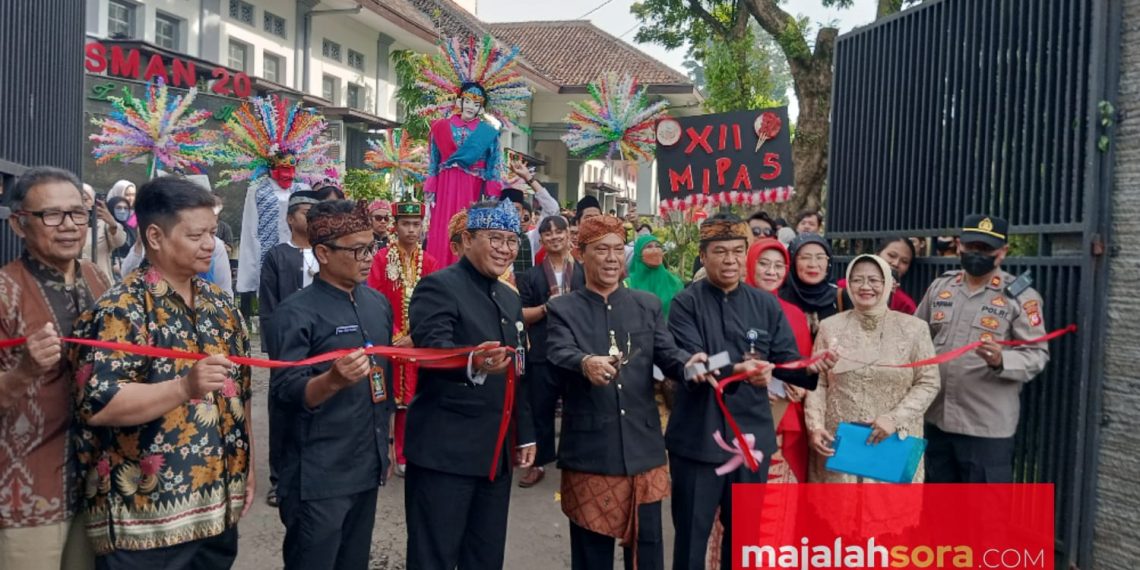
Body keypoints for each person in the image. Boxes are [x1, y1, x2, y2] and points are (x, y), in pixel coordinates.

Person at [72, 177, 253, 568]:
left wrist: (247, 470)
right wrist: (183, 386)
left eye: (211, 233)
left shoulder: (221, 304)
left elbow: (240, 394)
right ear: (154, 236)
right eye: (196, 235)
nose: (211, 244)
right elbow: (100, 404)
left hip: (217, 510)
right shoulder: (120, 309)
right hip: (144, 522)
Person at [666, 215, 831, 570]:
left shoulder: (766, 304)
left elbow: (786, 360)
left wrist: (812, 366)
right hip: (698, 440)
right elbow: (691, 366)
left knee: (746, 542)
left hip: (751, 442)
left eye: (738, 252)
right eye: (720, 252)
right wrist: (737, 369)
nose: (730, 260)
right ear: (703, 255)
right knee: (691, 541)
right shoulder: (685, 303)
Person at [546, 215, 709, 570]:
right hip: (591, 450)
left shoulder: (646, 304)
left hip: (644, 448)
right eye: (601, 250)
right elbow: (558, 351)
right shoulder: (562, 308)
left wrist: (690, 364)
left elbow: (668, 353)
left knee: (648, 549)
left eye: (618, 250)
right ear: (580, 253)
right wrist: (585, 361)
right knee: (592, 553)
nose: (611, 258)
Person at [404, 200, 536, 569]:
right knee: (435, 556)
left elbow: (518, 371)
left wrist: (524, 433)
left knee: (485, 556)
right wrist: (474, 362)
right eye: (495, 238)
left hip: (495, 455)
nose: (505, 249)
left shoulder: (509, 298)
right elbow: (432, 350)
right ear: (467, 239)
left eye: (512, 240)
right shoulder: (439, 287)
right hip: (445, 454)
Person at [270, 200, 395, 569]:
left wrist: (384, 442)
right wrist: (332, 381)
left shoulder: (376, 304)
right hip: (317, 474)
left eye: (370, 246)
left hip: (366, 464)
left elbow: (381, 381)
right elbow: (287, 391)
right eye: (356, 249)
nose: (367, 257)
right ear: (322, 253)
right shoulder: (295, 313)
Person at [0, 168, 108, 570]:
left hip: (93, 481)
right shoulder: (5, 290)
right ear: (18, 223)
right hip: (25, 488)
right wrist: (23, 371)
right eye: (51, 215)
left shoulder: (96, 278)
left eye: (78, 214)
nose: (68, 226)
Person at [916, 215, 1050, 483]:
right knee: (936, 512)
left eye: (986, 249)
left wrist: (1002, 360)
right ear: (958, 245)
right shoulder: (941, 287)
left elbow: (1037, 355)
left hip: (984, 428)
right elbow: (915, 339)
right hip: (936, 419)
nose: (977, 254)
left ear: (1002, 253)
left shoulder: (1022, 298)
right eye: (971, 247)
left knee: (983, 519)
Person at [805, 254, 940, 482]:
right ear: (848, 283)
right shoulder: (830, 327)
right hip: (839, 443)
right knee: (839, 514)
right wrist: (815, 426)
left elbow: (928, 382)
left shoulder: (914, 329)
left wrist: (894, 418)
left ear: (888, 283)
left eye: (874, 280)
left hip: (894, 439)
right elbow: (818, 381)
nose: (865, 287)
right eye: (857, 280)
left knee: (887, 513)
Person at [366, 201, 440, 477]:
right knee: (383, 399)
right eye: (405, 224)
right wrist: (394, 333)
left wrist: (414, 336)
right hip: (387, 341)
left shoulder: (430, 261)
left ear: (423, 227)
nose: (411, 230)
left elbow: (434, 305)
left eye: (416, 224)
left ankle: (404, 453)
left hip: (417, 344)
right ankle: (381, 453)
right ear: (394, 227)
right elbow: (374, 299)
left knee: (411, 401)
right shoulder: (381, 259)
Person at [257, 190, 320, 507]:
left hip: (321, 349)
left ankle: (314, 476)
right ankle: (279, 479)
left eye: (314, 212)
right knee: (282, 413)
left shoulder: (326, 253)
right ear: (290, 217)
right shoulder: (278, 256)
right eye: (304, 211)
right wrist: (275, 350)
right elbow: (267, 306)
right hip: (287, 351)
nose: (309, 217)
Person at [517, 215, 585, 488]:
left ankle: (575, 460)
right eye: (548, 233)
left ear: (570, 235)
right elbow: (520, 314)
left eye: (560, 232)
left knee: (577, 409)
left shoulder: (584, 271)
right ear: (541, 239)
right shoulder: (531, 276)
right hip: (542, 352)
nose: (555, 237)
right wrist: (548, 307)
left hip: (577, 351)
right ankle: (539, 463)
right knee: (540, 410)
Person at [744, 238, 813, 483]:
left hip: (781, 415)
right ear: (750, 264)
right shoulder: (732, 306)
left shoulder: (794, 313)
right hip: (740, 416)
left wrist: (799, 386)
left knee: (776, 500)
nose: (771, 272)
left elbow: (802, 363)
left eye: (779, 265)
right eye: (764, 264)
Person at [424, 83, 507, 267]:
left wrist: (493, 197)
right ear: (459, 101)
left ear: (481, 107)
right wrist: (430, 192)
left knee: (468, 227)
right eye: (467, 101)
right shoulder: (440, 127)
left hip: (472, 187)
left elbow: (494, 166)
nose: (470, 106)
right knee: (443, 228)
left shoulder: (488, 133)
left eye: (476, 103)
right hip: (445, 186)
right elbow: (433, 162)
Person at [836, 237, 918, 314]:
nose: (896, 263)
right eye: (891, 255)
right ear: (877, 255)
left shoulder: (906, 305)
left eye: (904, 261)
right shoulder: (844, 286)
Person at [780, 233, 839, 337]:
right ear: (793, 262)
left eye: (820, 257)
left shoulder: (840, 298)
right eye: (805, 257)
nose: (813, 264)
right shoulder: (779, 299)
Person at [627, 234, 683, 320]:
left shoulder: (674, 283)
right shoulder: (628, 283)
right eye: (649, 247)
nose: (655, 250)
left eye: (658, 246)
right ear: (639, 253)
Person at [79, 183, 127, 281]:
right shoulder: (65, 225)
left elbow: (120, 241)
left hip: (100, 284)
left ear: (94, 202)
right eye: (76, 199)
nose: (81, 204)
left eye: (85, 199)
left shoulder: (104, 224)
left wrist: (113, 224)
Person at [107, 196, 136, 269]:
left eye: (126, 208)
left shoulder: (130, 228)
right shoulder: (106, 228)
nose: (122, 211)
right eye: (119, 208)